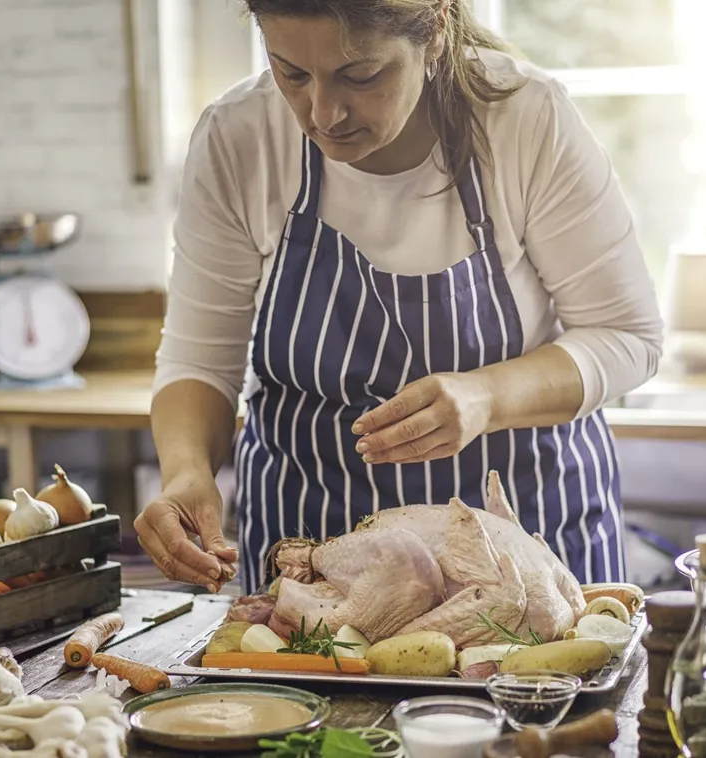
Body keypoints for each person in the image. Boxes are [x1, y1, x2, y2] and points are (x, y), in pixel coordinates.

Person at [136, 0, 663, 597]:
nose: (324, 113)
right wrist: (186, 474)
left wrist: (487, 395)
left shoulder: (524, 120)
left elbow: (628, 337)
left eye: (360, 75)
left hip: (526, 553)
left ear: (435, 30)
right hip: (317, 557)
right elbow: (199, 361)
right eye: (292, 73)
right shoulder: (240, 136)